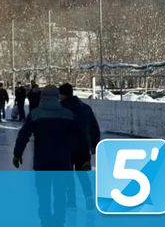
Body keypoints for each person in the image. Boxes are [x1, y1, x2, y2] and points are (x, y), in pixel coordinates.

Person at [13, 86, 87, 227]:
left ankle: (45, 219)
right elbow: (80, 137)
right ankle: (59, 220)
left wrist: (17, 154)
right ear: (57, 97)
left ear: (43, 97)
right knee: (60, 194)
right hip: (62, 162)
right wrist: (83, 158)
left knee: (43, 193)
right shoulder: (68, 115)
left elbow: (23, 135)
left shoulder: (35, 114)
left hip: (42, 162)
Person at [59, 83, 101, 208]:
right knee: (82, 174)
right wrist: (94, 144)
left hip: (65, 148)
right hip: (83, 147)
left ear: (62, 94)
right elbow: (94, 128)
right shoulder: (85, 108)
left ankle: (71, 201)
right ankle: (89, 198)